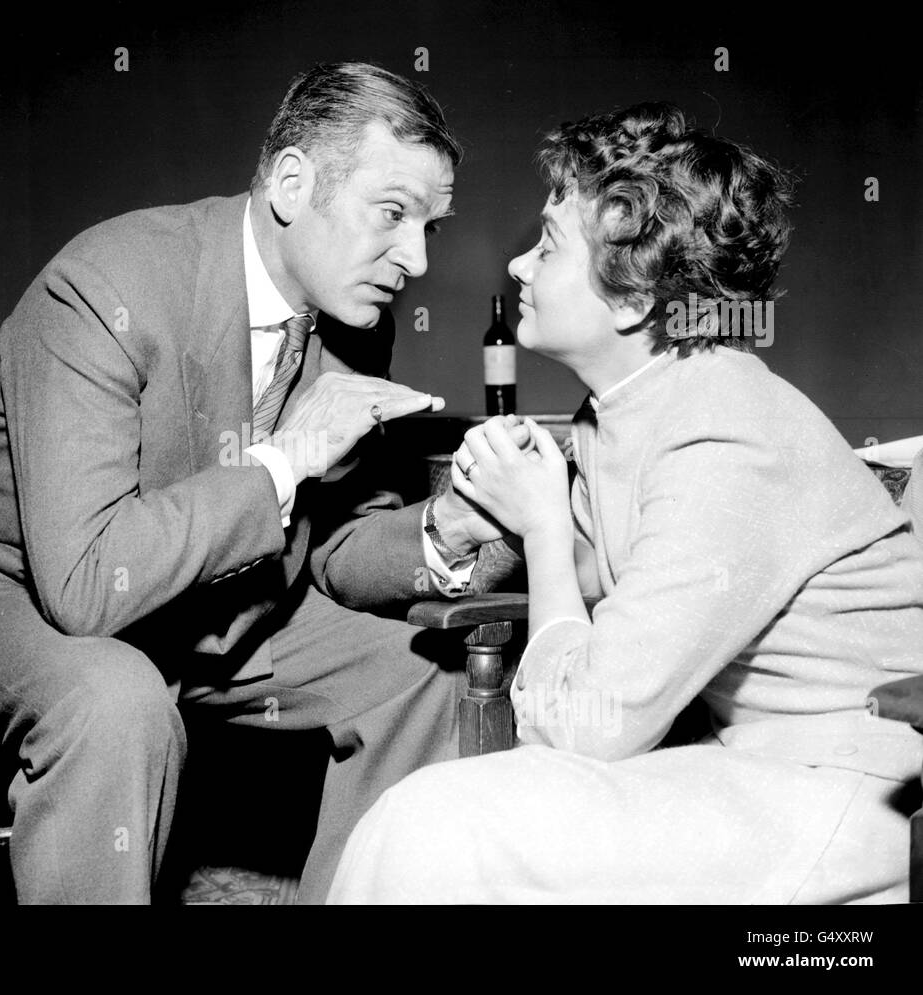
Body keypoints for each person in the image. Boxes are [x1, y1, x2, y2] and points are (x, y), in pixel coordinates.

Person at [0, 62, 514, 904]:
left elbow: (339, 544)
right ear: (292, 183)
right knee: (115, 700)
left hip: (211, 601)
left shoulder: (356, 321)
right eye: (392, 214)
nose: (416, 258)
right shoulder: (105, 288)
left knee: (420, 663)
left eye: (431, 225)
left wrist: (445, 532)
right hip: (0, 591)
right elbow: (86, 588)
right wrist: (285, 459)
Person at [327, 103, 923, 904]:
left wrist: (540, 521)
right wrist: (496, 500)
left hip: (849, 792)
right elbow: (589, 598)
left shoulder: (726, 431)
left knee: (439, 827)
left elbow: (582, 727)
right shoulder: (622, 410)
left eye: (548, 246)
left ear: (635, 298)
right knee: (435, 821)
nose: (517, 268)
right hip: (745, 761)